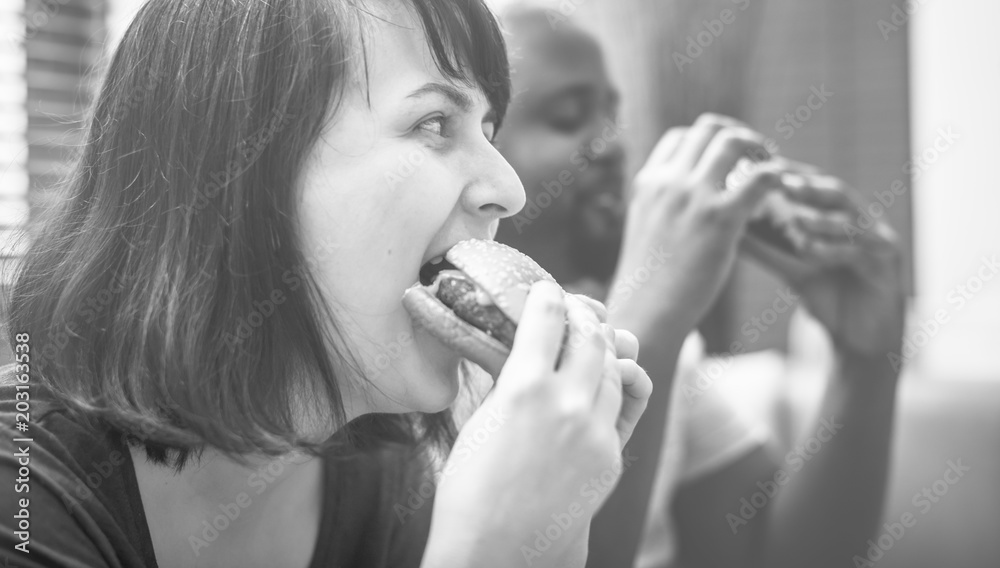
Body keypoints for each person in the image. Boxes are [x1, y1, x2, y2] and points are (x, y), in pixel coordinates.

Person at [0, 1, 653, 567]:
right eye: (434, 123)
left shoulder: (382, 481)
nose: (508, 190)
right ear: (239, 176)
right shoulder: (20, 494)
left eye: (489, 130)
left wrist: (553, 524)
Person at [492, 5, 906, 568]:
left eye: (613, 118)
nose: (612, 147)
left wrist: (867, 362)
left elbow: (779, 558)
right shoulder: (448, 366)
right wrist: (654, 308)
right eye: (568, 116)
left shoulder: (672, 356)